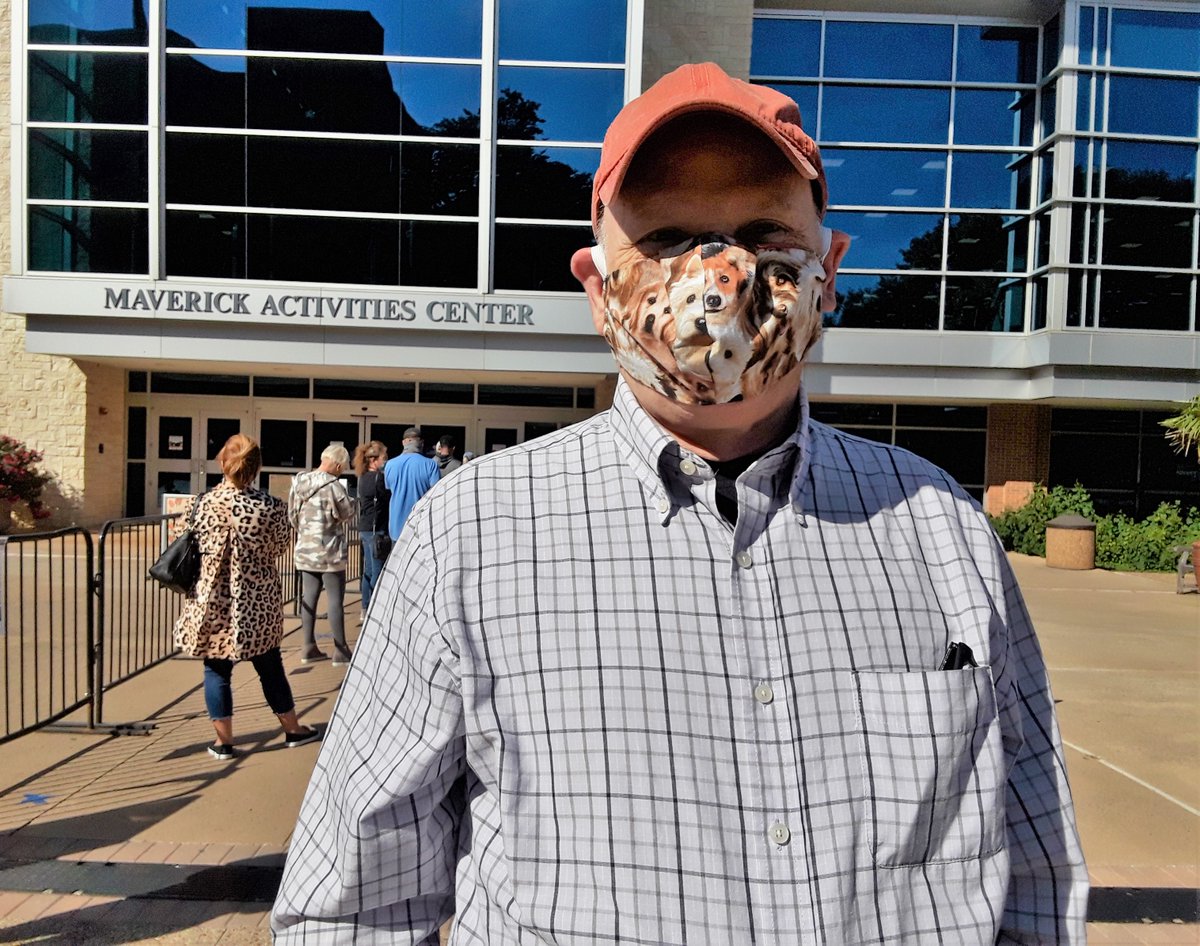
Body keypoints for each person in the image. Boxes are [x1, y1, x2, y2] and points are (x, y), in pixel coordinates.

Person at [274, 63, 1087, 943]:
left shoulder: (940, 527)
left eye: (764, 230)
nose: (719, 277)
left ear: (831, 270)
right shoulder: (468, 536)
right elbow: (353, 898)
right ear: (596, 289)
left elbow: (1033, 870)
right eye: (664, 238)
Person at [174, 434, 319, 760]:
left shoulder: (200, 504)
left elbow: (186, 543)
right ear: (256, 468)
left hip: (213, 601)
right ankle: (292, 729)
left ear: (223, 463)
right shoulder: (271, 509)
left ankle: (224, 742)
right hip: (257, 602)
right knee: (270, 668)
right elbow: (281, 547)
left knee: (216, 670)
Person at [288, 443, 356, 666]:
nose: (342, 470)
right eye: (342, 467)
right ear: (336, 464)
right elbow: (347, 513)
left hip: (306, 550)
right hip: (330, 552)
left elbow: (292, 516)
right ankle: (341, 650)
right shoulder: (333, 486)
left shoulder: (299, 482)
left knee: (309, 598)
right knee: (335, 600)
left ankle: (307, 646)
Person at [352, 440, 390, 622]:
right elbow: (386, 497)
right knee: (377, 569)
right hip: (377, 528)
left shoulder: (362, 477)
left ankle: (365, 606)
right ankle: (376, 606)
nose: (386, 461)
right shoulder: (378, 479)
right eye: (384, 457)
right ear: (374, 460)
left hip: (365, 527)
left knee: (367, 569)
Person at [381, 426, 439, 541]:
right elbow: (436, 495)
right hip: (420, 528)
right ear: (421, 442)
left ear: (403, 443)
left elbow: (388, 490)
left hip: (396, 528)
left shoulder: (390, 465)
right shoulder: (430, 464)